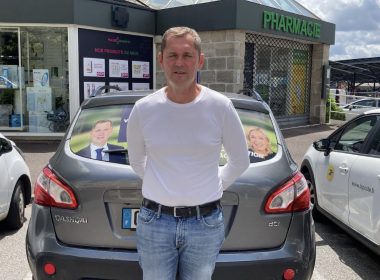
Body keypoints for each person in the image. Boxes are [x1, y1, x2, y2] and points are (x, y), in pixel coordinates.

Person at [127, 26, 249, 280]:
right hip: (154, 223)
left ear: (200, 60)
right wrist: (162, 184)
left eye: (187, 55)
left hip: (204, 224)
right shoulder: (143, 109)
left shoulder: (220, 107)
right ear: (161, 60)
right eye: (172, 55)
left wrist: (214, 185)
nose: (179, 63)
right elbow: (137, 161)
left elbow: (240, 161)